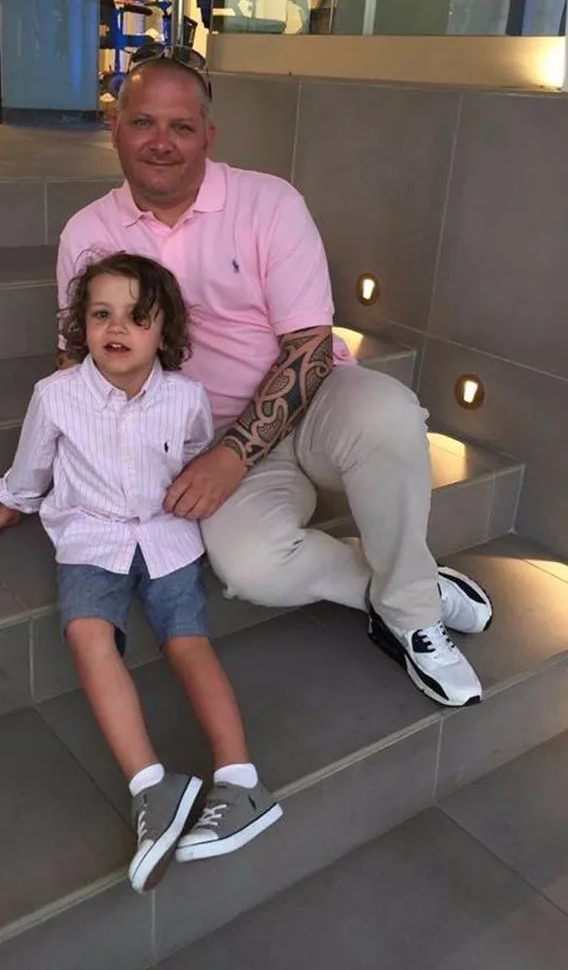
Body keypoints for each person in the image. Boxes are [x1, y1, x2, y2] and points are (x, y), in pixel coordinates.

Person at [55, 43, 495, 711]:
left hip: (312, 406)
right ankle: (415, 588)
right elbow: (77, 360)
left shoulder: (268, 203)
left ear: (209, 136)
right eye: (142, 122)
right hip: (199, 441)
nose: (161, 143)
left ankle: (412, 616)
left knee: (389, 411)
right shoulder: (86, 233)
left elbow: (309, 348)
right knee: (252, 568)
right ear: (114, 127)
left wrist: (234, 455)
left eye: (181, 126)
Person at [0, 253, 282, 894]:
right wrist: (14, 500)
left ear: (164, 330)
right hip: (90, 538)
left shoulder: (187, 398)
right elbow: (33, 465)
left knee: (188, 642)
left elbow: (198, 455)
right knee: (87, 634)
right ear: (82, 326)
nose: (116, 328)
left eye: (137, 316)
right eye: (101, 314)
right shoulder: (55, 396)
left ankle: (241, 782)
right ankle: (152, 785)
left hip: (168, 536)